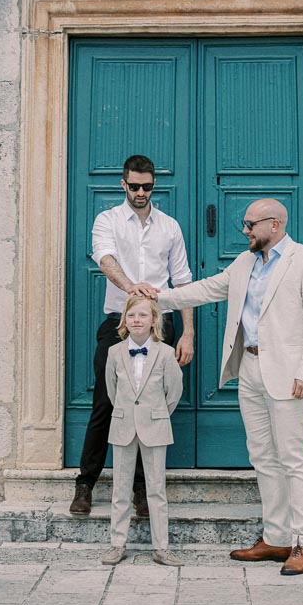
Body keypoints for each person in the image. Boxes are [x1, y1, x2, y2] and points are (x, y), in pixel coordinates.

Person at [151, 199, 303, 576]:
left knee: (293, 457)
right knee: (263, 456)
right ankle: (276, 537)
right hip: (249, 367)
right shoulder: (245, 262)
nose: (245, 230)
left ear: (275, 225)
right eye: (244, 225)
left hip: (288, 374)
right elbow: (204, 290)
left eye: (250, 225)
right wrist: (156, 297)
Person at [71, 154, 195, 517]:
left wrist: (187, 333)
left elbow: (182, 280)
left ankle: (143, 490)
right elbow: (105, 259)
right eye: (135, 186)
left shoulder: (169, 226)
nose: (141, 192)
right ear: (123, 185)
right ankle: (85, 484)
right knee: (105, 402)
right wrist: (133, 290)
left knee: (151, 406)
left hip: (161, 324)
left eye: (148, 187)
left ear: (154, 186)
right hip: (118, 320)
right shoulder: (107, 220)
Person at [100, 294, 184, 567]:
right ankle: (117, 544)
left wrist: (156, 414)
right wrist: (129, 411)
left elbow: (173, 392)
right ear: (125, 319)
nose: (137, 320)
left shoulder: (166, 353)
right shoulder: (114, 353)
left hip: (155, 425)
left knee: (156, 490)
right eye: (132, 315)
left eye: (143, 315)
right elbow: (112, 390)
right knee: (120, 489)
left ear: (153, 321)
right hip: (123, 425)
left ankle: (162, 548)